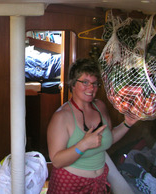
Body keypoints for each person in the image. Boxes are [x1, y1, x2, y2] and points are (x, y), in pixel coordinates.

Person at [46, 58, 138, 193]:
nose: (91, 88)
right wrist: (83, 145)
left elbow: (108, 138)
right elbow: (57, 161)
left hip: (99, 182)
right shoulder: (61, 117)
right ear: (72, 84)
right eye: (85, 82)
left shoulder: (100, 106)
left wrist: (127, 124)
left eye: (95, 83)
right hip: (69, 183)